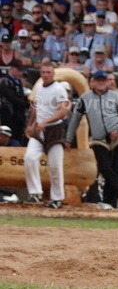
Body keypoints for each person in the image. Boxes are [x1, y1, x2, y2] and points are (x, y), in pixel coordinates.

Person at [65, 70, 118, 210]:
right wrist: (68, 138)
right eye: (98, 80)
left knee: (114, 169)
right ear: (92, 82)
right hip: (98, 138)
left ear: (108, 82)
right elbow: (75, 119)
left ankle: (110, 201)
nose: (101, 83)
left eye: (103, 80)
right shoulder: (85, 98)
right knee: (105, 168)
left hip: (117, 137)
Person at [25, 62, 70, 209]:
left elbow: (63, 112)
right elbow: (36, 107)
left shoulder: (59, 89)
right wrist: (30, 124)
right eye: (43, 72)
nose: (46, 75)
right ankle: (35, 193)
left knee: (55, 166)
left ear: (53, 74)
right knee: (30, 158)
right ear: (40, 73)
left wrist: (45, 122)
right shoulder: (38, 87)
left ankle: (57, 198)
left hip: (55, 129)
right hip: (39, 129)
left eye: (48, 72)